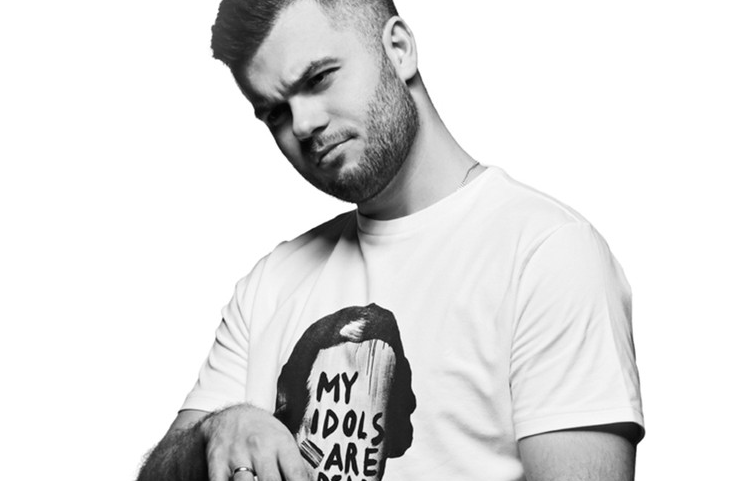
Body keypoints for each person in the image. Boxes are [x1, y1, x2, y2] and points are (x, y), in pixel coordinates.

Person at [137, 0, 644, 480]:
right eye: (275, 112)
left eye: (319, 78)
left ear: (399, 49)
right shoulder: (269, 284)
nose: (304, 123)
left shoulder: (545, 253)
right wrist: (220, 426)